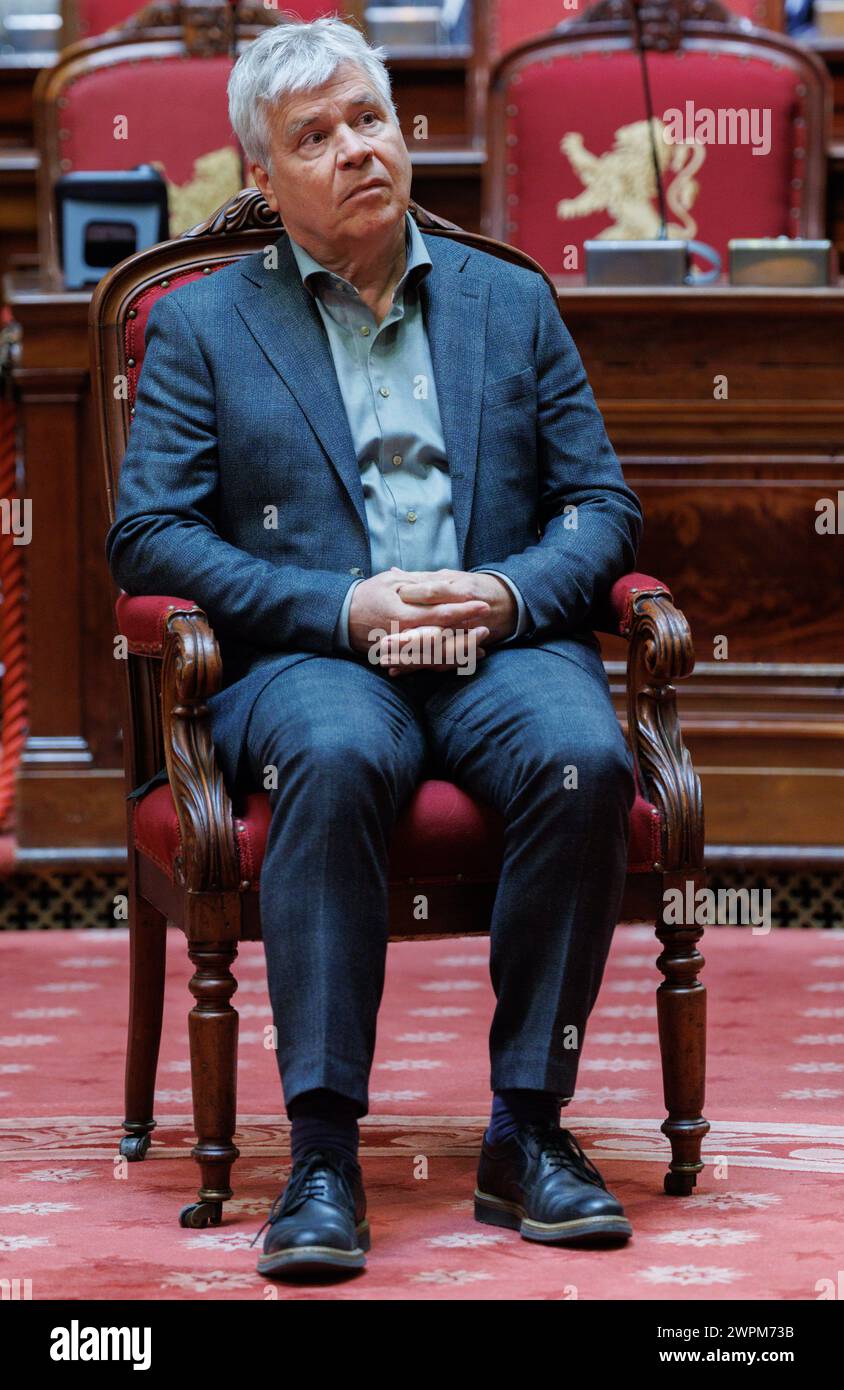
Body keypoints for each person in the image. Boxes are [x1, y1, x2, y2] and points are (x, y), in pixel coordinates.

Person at [105, 16, 644, 1280]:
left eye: (368, 120)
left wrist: (510, 597)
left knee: (587, 757)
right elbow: (150, 539)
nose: (357, 149)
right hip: (312, 657)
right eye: (316, 135)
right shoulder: (200, 326)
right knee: (336, 756)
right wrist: (338, 607)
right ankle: (324, 1151)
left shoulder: (508, 301)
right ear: (262, 176)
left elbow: (604, 508)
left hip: (496, 643)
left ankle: (527, 1129)